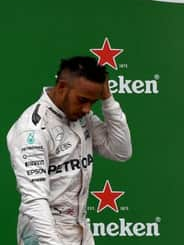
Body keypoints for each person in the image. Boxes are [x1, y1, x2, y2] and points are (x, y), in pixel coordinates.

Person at [6, 56, 132, 245]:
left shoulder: (82, 117)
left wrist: (107, 99)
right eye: (82, 100)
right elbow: (34, 200)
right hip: (44, 233)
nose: (87, 108)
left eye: (93, 102)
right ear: (62, 87)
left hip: (80, 230)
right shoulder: (32, 130)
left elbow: (120, 151)